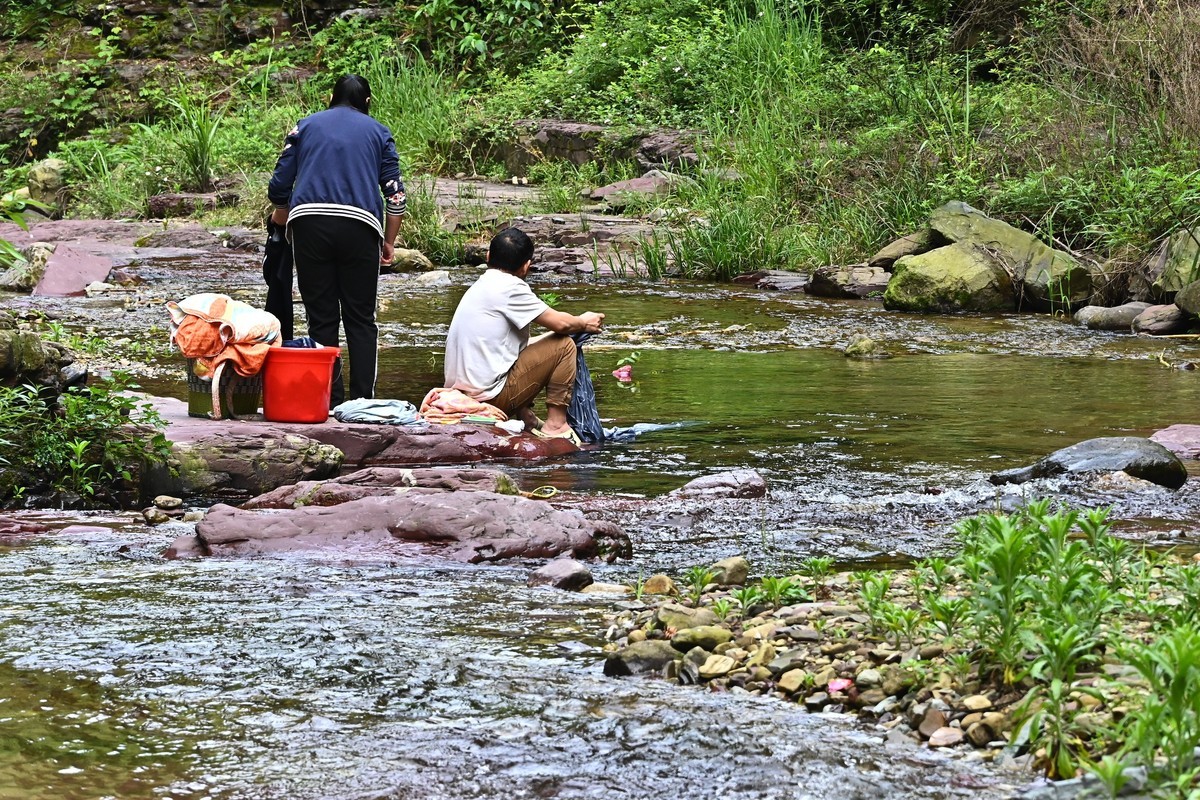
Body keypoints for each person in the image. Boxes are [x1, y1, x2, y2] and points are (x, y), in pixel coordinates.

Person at [267, 73, 406, 406]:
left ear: (332, 97)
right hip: (361, 227)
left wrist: (283, 212)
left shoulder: (305, 126)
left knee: (322, 317)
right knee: (360, 318)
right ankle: (362, 402)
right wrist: (389, 242)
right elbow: (396, 197)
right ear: (368, 102)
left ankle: (326, 401)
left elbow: (279, 184)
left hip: (309, 225)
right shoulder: (380, 133)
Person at [444, 228, 605, 444]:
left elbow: (513, 350)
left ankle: (527, 419)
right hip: (489, 398)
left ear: (488, 257)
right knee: (565, 345)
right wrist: (584, 322)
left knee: (539, 348)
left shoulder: (481, 284)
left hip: (463, 394)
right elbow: (562, 323)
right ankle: (556, 426)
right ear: (526, 266)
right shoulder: (510, 287)